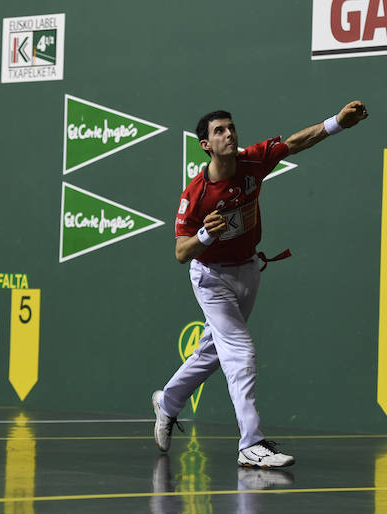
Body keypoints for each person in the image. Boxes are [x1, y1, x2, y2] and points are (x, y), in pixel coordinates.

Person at [151, 101, 369, 467]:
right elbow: (180, 252)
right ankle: (251, 444)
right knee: (240, 352)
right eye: (219, 131)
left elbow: (295, 143)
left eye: (231, 128)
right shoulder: (197, 194)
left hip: (249, 270)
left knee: (214, 351)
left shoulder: (252, 161)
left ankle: (168, 402)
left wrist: (338, 122)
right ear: (205, 144)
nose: (229, 134)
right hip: (211, 278)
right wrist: (205, 235)